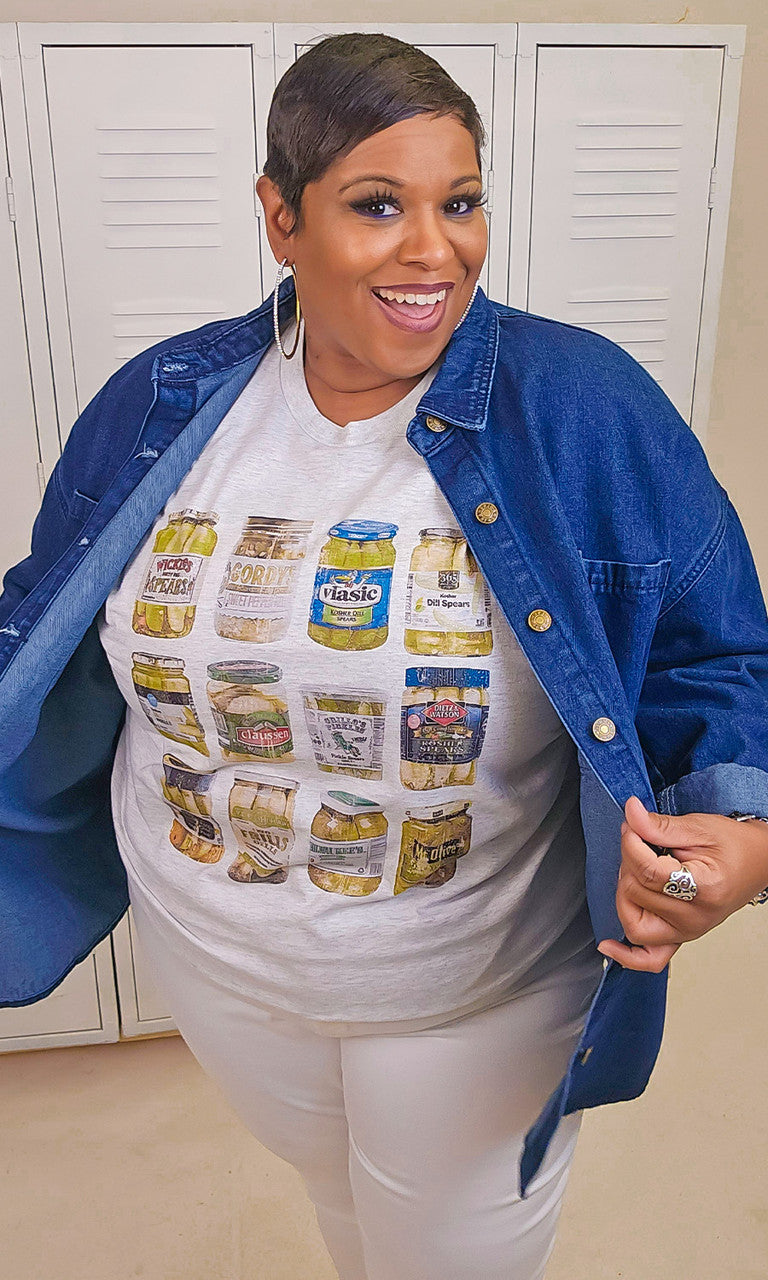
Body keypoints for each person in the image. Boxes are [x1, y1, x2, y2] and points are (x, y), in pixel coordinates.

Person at [2, 31, 768, 1280]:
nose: (435, 250)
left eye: (459, 203)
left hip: (472, 994)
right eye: (377, 205)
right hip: (216, 962)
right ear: (281, 216)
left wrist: (744, 824)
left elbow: (717, 646)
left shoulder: (585, 406)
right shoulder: (161, 397)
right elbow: (49, 607)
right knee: (345, 1205)